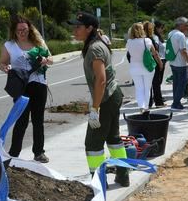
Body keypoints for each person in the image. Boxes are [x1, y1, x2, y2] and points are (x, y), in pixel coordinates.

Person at [69, 12, 129, 186]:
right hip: (112, 95)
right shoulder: (97, 44)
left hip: (106, 99)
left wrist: (95, 108)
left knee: (93, 144)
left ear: (90, 28)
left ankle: (98, 183)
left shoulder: (95, 48)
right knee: (113, 139)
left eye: (78, 27)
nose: (75, 30)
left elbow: (101, 80)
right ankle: (123, 176)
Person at [0, 15, 52, 163]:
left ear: (30, 29)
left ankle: (39, 152)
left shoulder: (38, 42)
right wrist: (5, 67)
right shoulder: (9, 45)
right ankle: (14, 152)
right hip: (21, 86)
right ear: (14, 31)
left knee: (38, 120)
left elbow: (51, 59)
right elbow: (1, 63)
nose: (23, 33)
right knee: (21, 119)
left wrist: (46, 60)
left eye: (25, 30)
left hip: (39, 84)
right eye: (19, 30)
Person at [126, 22, 161, 114]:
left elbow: (129, 53)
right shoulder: (147, 41)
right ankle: (146, 107)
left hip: (134, 67)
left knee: (139, 88)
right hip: (147, 67)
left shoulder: (129, 42)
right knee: (147, 88)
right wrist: (160, 63)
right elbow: (154, 53)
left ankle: (141, 106)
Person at [166, 17, 188, 111]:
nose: (187, 27)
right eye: (186, 25)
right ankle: (176, 103)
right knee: (182, 83)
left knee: (176, 83)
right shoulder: (180, 35)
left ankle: (176, 102)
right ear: (180, 25)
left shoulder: (170, 33)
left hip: (173, 61)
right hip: (181, 63)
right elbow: (183, 51)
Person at [145, 20, 166, 108]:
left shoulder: (142, 39)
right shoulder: (152, 38)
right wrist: (160, 63)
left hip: (147, 63)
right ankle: (158, 102)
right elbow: (155, 52)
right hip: (155, 62)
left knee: (148, 84)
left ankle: (149, 102)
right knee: (156, 83)